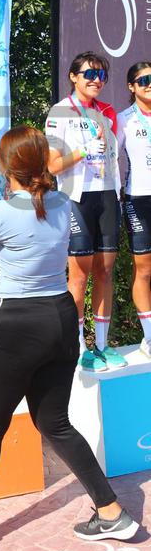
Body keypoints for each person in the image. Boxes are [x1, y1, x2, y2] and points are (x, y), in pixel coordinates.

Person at [0, 125, 138, 551]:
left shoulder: (0, 214)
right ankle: (110, 512)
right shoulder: (62, 202)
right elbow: (20, 242)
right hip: (61, 318)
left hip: (16, 323)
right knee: (55, 423)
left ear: (6, 166)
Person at [44, 52, 126, 372]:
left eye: (101, 76)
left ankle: (101, 346)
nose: (96, 80)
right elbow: (53, 166)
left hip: (107, 195)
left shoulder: (105, 112)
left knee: (105, 272)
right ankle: (78, 348)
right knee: (79, 276)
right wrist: (82, 151)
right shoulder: (60, 112)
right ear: (73, 77)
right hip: (76, 199)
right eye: (89, 74)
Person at [117, 61, 151, 359]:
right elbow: (109, 158)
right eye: (143, 80)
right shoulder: (123, 119)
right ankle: (149, 337)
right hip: (138, 199)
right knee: (144, 269)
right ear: (131, 87)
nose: (149, 84)